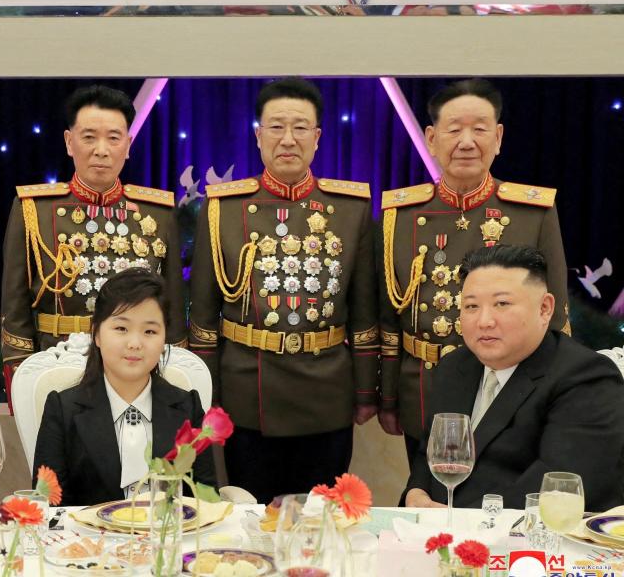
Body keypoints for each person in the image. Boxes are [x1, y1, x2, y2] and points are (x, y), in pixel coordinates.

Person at [188, 78, 380, 504]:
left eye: (300, 128)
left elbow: (365, 314)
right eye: (276, 127)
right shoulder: (223, 208)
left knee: (322, 519)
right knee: (246, 518)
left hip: (326, 394)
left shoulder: (350, 209)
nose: (288, 139)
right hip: (246, 398)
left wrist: (367, 392)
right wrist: (205, 397)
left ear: (317, 137)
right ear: (258, 136)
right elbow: (202, 319)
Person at [378, 78, 570, 459]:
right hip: (425, 389)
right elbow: (387, 316)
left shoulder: (533, 212)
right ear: (431, 139)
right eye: (454, 130)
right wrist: (385, 397)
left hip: (510, 390)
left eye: (480, 129)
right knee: (431, 500)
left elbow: (556, 317)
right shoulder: (399, 216)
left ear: (498, 138)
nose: (467, 142)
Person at [1, 85, 186, 410]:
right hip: (55, 371)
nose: (101, 150)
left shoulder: (158, 213)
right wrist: (21, 381)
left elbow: (171, 314)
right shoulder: (34, 209)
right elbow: (15, 310)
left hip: (137, 375)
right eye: (89, 137)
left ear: (127, 146)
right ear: (69, 143)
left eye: (113, 138)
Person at [404, 245, 624, 512]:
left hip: (530, 545)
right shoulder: (455, 367)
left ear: (544, 309)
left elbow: (556, 489)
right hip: (440, 537)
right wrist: (415, 493)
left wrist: (459, 523)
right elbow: (430, 453)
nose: (484, 321)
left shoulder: (586, 378)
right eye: (471, 306)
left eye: (502, 304)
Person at [32, 269, 215, 506]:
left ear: (164, 340)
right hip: (88, 541)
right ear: (97, 334)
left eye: (150, 331)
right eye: (121, 329)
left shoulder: (187, 406)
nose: (135, 343)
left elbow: (207, 500)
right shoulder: (62, 408)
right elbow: (47, 507)